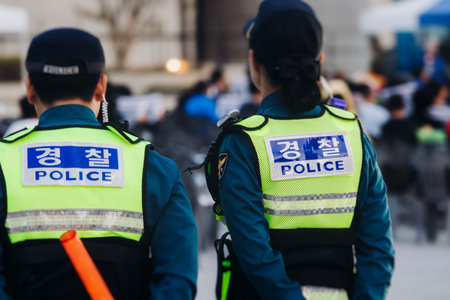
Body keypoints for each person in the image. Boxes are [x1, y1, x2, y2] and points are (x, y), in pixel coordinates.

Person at [205, 1, 394, 299]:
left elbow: (254, 254)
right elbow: (378, 246)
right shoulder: (351, 130)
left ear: (254, 62)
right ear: (318, 60)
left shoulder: (243, 141)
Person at [0, 28, 197, 299]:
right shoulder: (151, 165)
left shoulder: (4, 160)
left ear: (30, 89)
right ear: (101, 87)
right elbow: (177, 280)